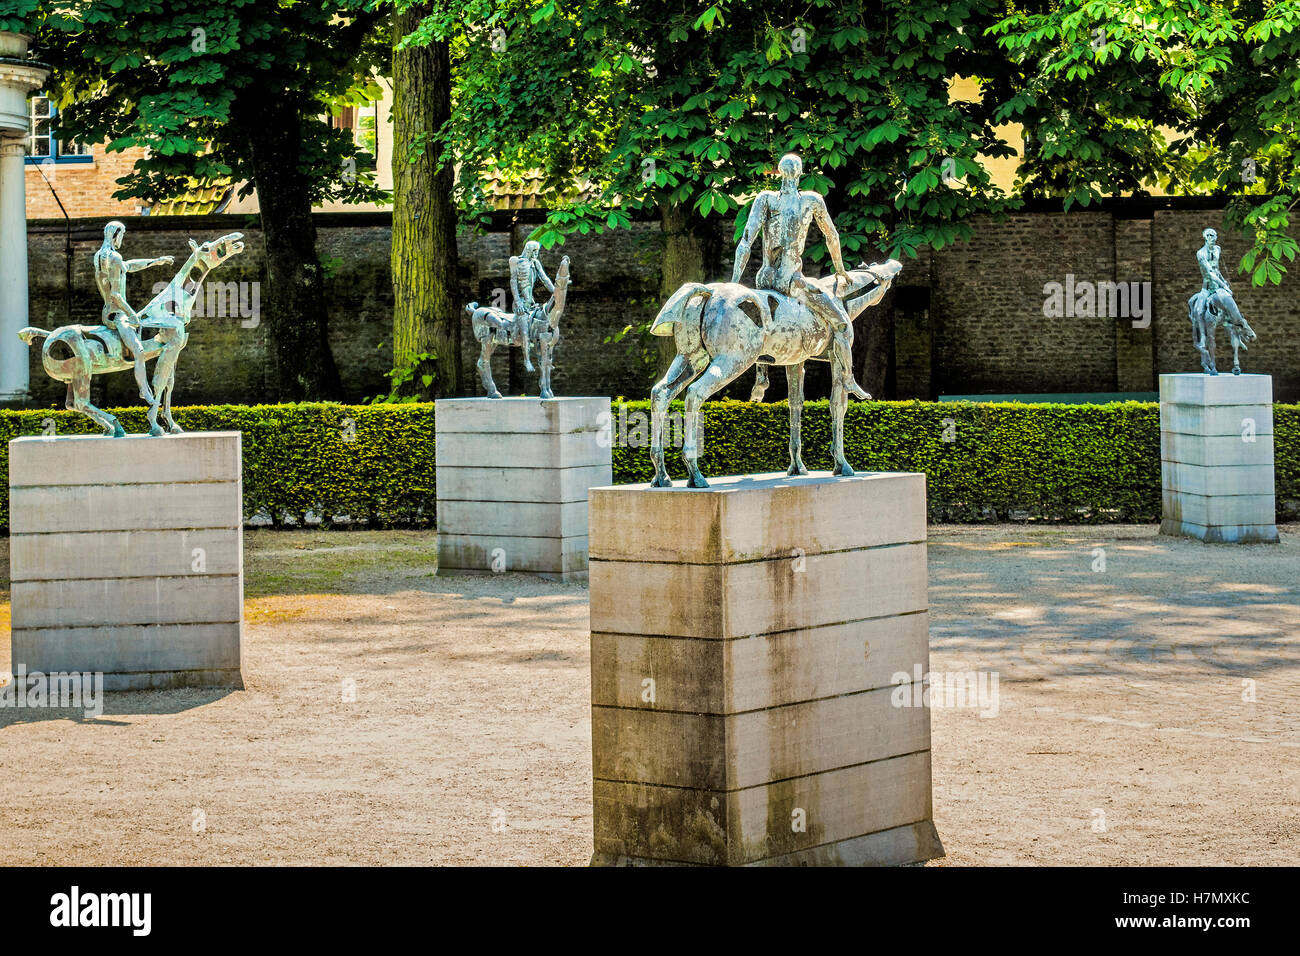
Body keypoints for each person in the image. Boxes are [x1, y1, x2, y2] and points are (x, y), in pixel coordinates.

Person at [731, 153, 870, 399]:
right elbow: (832, 237)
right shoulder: (811, 200)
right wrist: (840, 270)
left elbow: (745, 241)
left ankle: (762, 376)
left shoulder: (765, 199)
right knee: (840, 322)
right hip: (792, 281)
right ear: (800, 173)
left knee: (762, 320)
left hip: (765, 279)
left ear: (780, 172)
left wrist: (733, 283)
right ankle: (848, 378)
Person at [93, 220, 173, 404]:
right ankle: (144, 391)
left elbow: (128, 266)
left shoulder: (101, 256)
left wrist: (155, 261)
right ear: (116, 235)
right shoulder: (114, 258)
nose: (122, 239)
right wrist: (132, 314)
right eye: (122, 235)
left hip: (108, 311)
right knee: (138, 350)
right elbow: (116, 295)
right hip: (118, 314)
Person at [509, 240, 555, 373]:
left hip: (532, 303)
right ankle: (527, 360)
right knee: (525, 331)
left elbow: (545, 279)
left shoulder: (535, 263)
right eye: (535, 251)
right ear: (528, 250)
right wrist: (517, 302)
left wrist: (557, 292)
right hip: (521, 303)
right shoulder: (515, 261)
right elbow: (513, 281)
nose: (536, 253)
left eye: (537, 251)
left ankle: (544, 359)